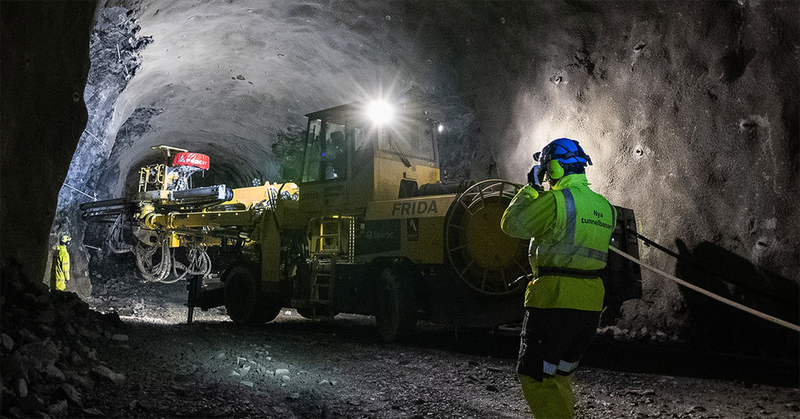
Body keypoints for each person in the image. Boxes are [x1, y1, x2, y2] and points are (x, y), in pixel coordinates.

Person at [501, 138, 616, 419]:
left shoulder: (557, 202)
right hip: (589, 308)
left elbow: (511, 223)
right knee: (560, 376)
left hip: (554, 302)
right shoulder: (605, 207)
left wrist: (530, 189)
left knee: (534, 377)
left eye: (546, 168)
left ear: (553, 168)